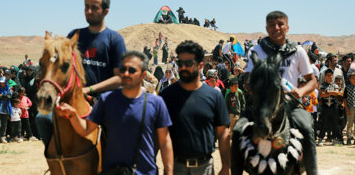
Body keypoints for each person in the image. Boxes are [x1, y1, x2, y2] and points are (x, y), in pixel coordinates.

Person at [56, 51, 173, 174]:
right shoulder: (107, 100)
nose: (126, 74)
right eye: (123, 69)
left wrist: (169, 171)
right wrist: (73, 115)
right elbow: (86, 130)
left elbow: (165, 141)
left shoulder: (156, 103)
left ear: (143, 75)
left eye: (132, 70)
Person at [36, 0, 126, 146]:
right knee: (42, 119)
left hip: (104, 100)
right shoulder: (75, 35)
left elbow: (120, 78)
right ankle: (55, 159)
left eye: (94, 7)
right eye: (86, 7)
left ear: (105, 11)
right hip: (71, 98)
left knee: (119, 131)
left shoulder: (114, 39)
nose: (89, 11)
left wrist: (89, 89)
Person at [234, 11, 318, 175]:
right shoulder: (256, 51)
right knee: (238, 130)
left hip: (290, 103)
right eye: (272, 25)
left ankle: (313, 171)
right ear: (266, 28)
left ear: (287, 27)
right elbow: (247, 78)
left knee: (307, 127)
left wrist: (301, 91)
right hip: (260, 104)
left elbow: (313, 81)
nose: (276, 28)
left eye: (280, 24)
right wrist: (251, 86)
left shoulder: (298, 51)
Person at [160, 40, 230, 175]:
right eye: (180, 64)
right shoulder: (166, 96)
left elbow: (223, 133)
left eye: (189, 63)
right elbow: (161, 136)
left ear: (200, 66)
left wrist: (226, 166)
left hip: (205, 168)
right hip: (176, 168)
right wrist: (167, 170)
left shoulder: (214, 96)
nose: (183, 67)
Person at [318, 69, 341, 145]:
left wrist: (327, 92)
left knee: (335, 123)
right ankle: (321, 139)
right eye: (327, 75)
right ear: (325, 76)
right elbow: (321, 94)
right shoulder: (322, 85)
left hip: (334, 106)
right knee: (324, 122)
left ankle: (334, 139)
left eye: (330, 75)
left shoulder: (335, 85)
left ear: (332, 76)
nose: (329, 76)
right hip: (325, 106)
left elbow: (337, 93)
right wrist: (331, 93)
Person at [0, 76, 12, 143]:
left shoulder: (9, 89)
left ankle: (2, 137)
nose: (2, 84)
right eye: (1, 83)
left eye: (3, 83)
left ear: (5, 83)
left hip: (6, 108)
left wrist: (2, 96)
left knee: (4, 124)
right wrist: (4, 97)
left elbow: (9, 97)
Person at [344, 71, 355, 145]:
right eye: (352, 78)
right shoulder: (347, 88)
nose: (354, 79)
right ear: (350, 79)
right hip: (350, 107)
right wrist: (347, 109)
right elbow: (344, 99)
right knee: (349, 124)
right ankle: (348, 137)